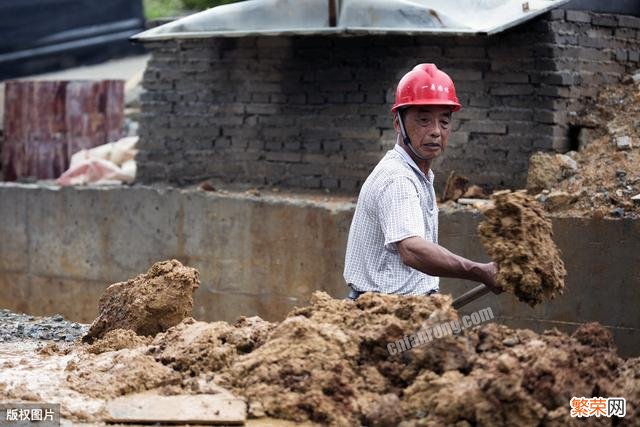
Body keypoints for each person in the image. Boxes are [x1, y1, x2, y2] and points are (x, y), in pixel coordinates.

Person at [343, 63, 502, 300]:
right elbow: (412, 250)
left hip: (403, 306)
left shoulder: (418, 173)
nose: (436, 131)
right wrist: (480, 271)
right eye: (424, 120)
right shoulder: (398, 178)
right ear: (398, 123)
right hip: (383, 315)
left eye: (444, 122)